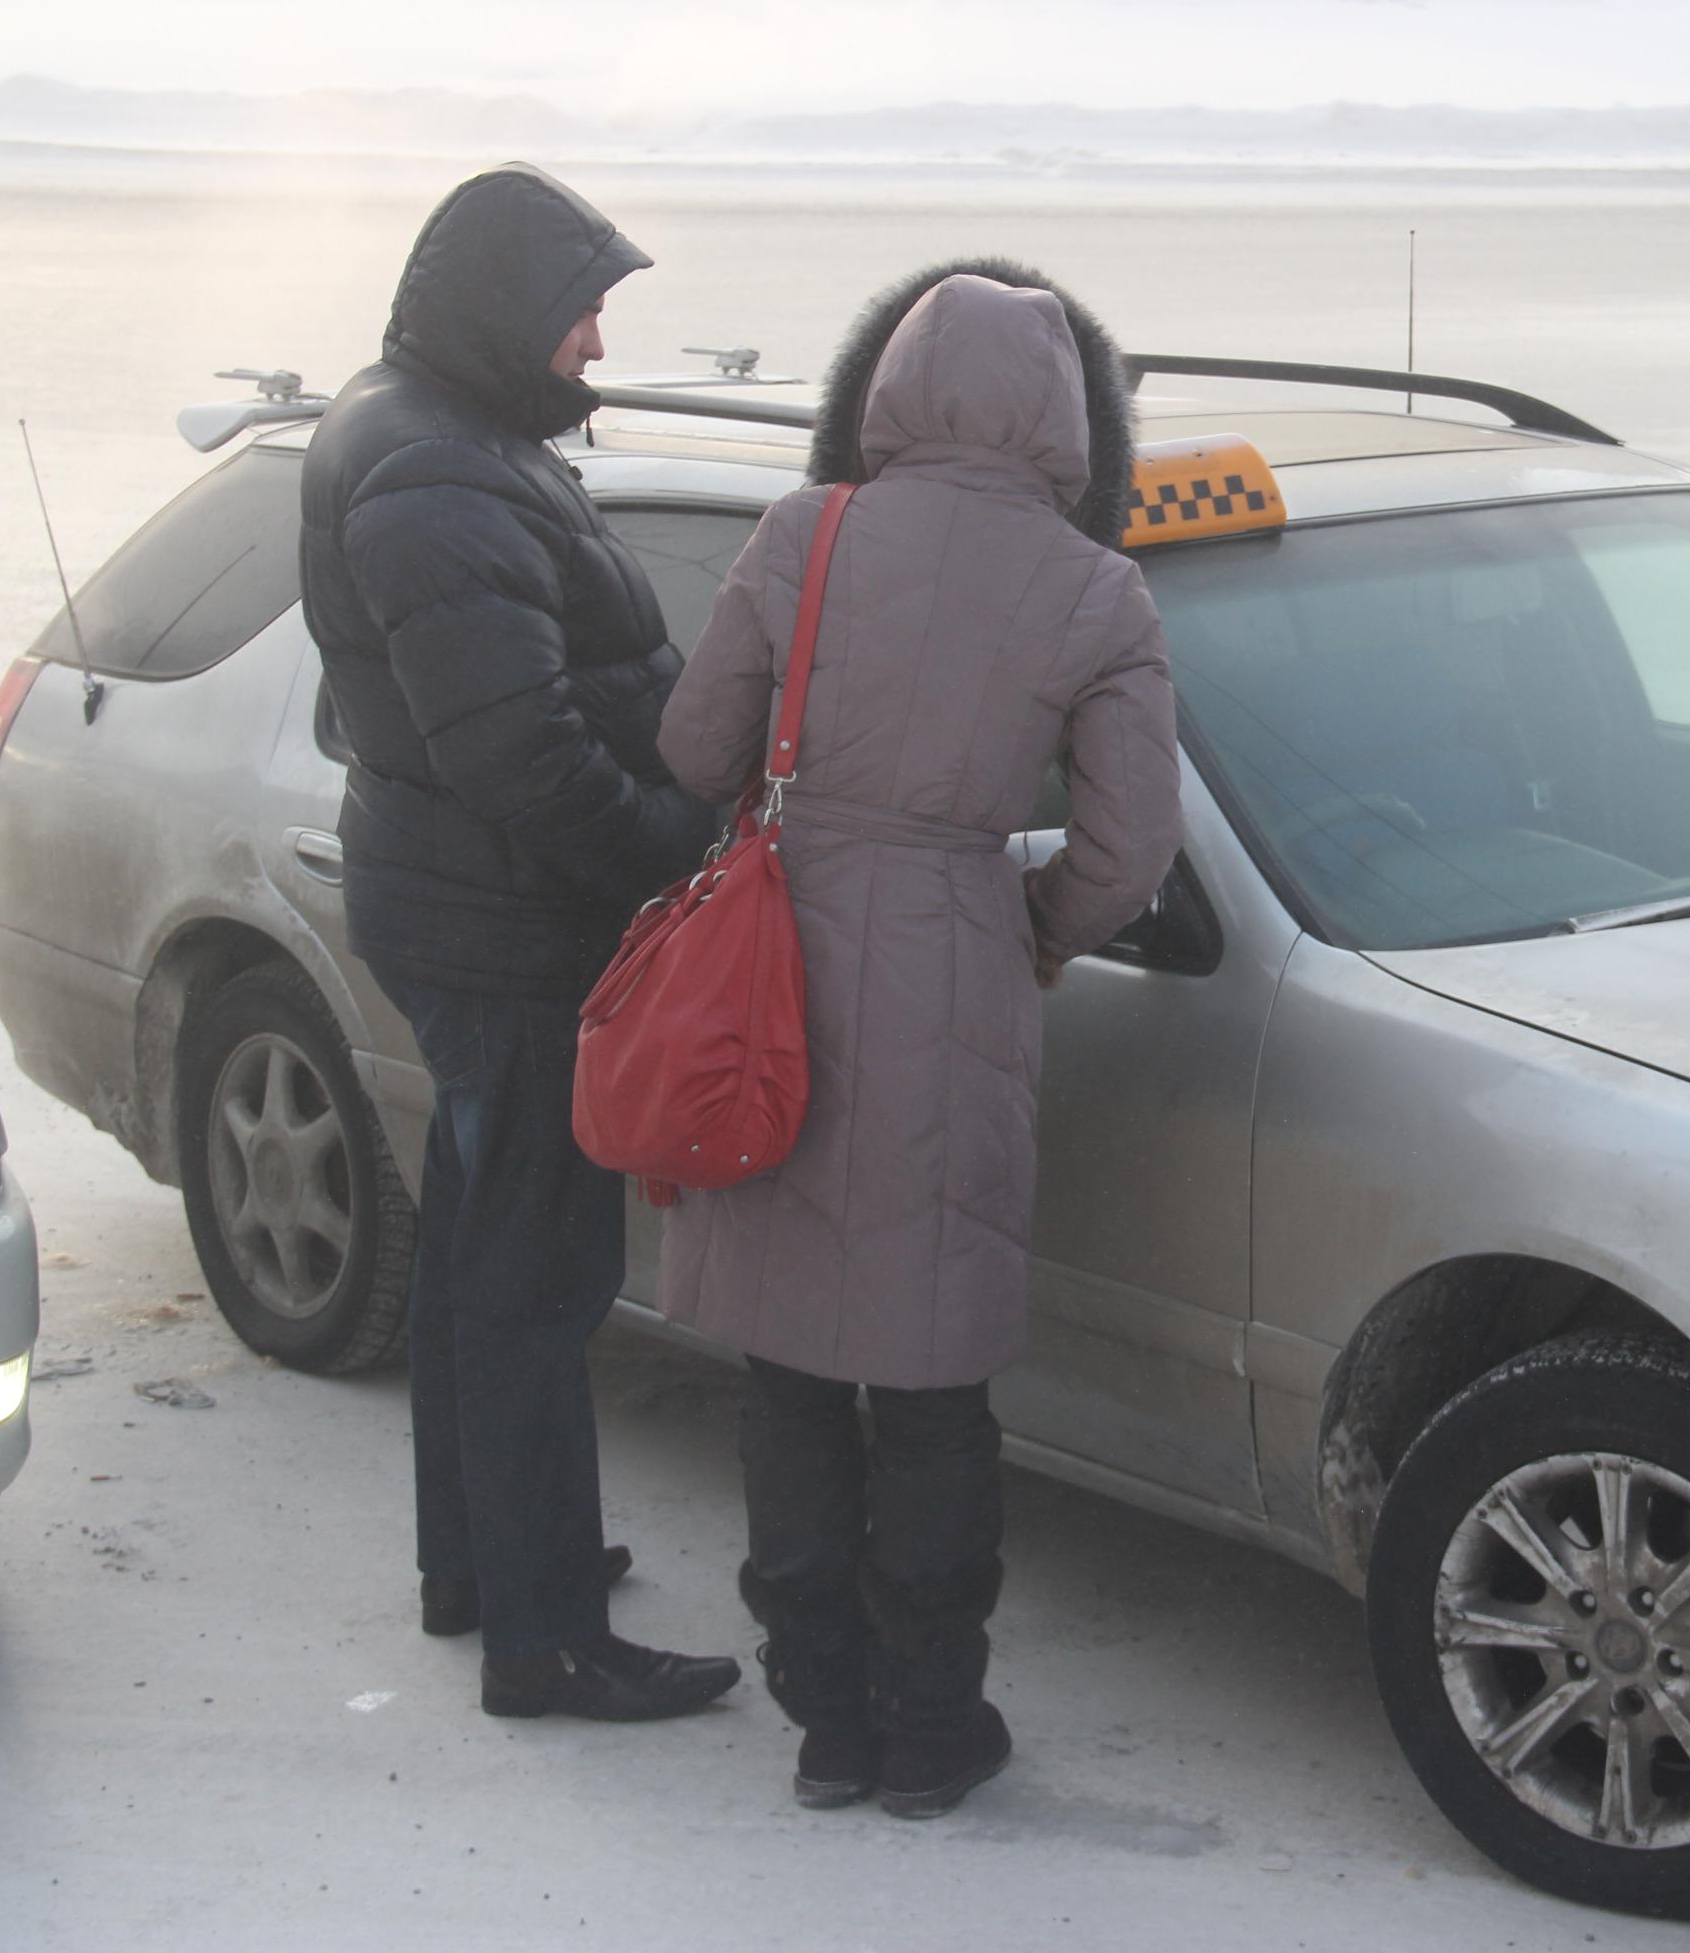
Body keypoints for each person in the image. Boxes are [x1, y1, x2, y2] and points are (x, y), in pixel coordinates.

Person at [655, 261, 1180, 1816]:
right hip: (958, 964)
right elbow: (1129, 852)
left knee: (793, 1368)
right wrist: (1027, 929)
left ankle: (823, 1719)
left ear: (892, 382)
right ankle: (933, 1728)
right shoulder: (1099, 590)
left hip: (778, 968)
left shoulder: (805, 533)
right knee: (935, 1380)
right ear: (1066, 416)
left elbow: (695, 746)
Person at [298, 163, 739, 1722]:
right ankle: (545, 1637)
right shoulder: (433, 473)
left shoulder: (442, 432)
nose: (598, 350)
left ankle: (483, 1565)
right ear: (504, 313)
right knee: (537, 1279)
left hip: (471, 906)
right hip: (509, 927)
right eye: (581, 316)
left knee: (481, 1254)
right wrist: (677, 862)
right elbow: (522, 755)